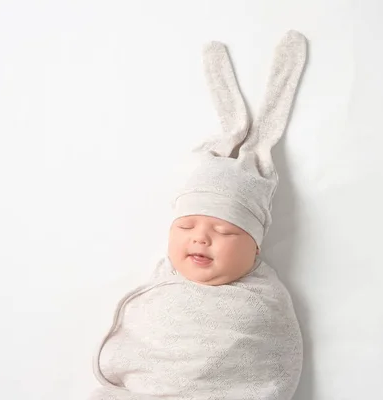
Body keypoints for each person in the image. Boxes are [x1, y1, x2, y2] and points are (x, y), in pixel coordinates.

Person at [88, 30, 308, 400]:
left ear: (255, 248)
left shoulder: (260, 309)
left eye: (223, 230)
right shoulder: (165, 286)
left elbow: (272, 371)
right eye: (187, 225)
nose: (200, 237)